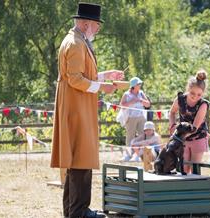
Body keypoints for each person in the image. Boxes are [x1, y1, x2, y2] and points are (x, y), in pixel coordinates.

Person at [50, 3, 124, 218]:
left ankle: (74, 211)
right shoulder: (75, 44)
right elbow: (75, 79)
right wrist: (103, 87)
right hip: (76, 106)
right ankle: (80, 212)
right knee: (81, 157)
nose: (98, 29)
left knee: (77, 160)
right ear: (85, 24)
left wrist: (106, 75)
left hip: (78, 103)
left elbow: (83, 75)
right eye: (96, 25)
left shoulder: (78, 41)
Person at [169, 70, 209, 174]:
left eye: (199, 94)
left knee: (195, 170)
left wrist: (177, 135)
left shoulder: (203, 104)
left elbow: (194, 127)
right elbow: (172, 112)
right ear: (188, 89)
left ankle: (196, 190)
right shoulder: (180, 99)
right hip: (182, 139)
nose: (195, 97)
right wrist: (172, 126)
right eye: (192, 93)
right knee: (183, 169)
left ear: (203, 93)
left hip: (197, 137)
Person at [119, 77, 150, 149]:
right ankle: (129, 154)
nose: (140, 85)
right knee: (130, 136)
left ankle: (141, 153)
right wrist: (132, 102)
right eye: (138, 84)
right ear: (134, 85)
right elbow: (122, 105)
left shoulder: (141, 93)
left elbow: (148, 104)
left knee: (142, 135)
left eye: (140, 84)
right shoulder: (126, 94)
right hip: (130, 117)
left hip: (141, 117)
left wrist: (141, 100)